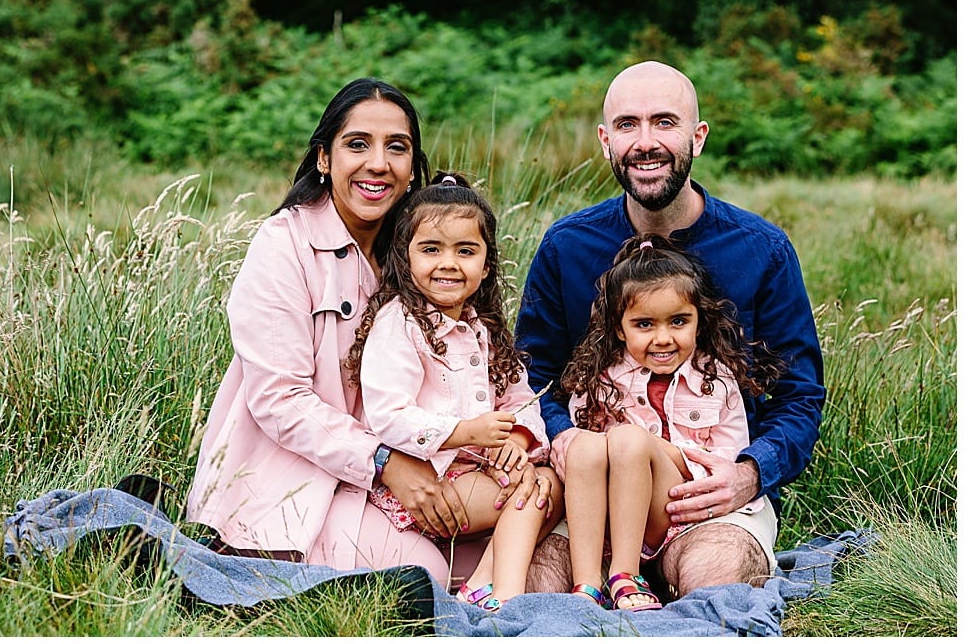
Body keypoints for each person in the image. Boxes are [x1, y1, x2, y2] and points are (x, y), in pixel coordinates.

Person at [187, 78, 553, 580]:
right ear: (324, 158)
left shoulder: (422, 249)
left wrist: (511, 444)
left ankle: (495, 594)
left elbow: (485, 376)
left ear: (411, 168)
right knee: (420, 575)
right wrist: (384, 461)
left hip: (424, 467)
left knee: (538, 510)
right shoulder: (284, 245)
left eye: (396, 148)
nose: (378, 163)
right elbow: (279, 399)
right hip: (308, 478)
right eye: (357, 144)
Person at [516, 60, 826, 598]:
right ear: (606, 141)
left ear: (697, 137)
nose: (646, 142)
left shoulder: (762, 250)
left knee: (717, 579)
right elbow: (531, 375)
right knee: (539, 586)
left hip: (708, 501)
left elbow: (799, 396)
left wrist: (749, 474)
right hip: (594, 495)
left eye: (665, 122)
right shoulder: (567, 247)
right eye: (628, 125)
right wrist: (561, 436)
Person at [345, 172, 565, 611]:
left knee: (552, 485)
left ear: (485, 266)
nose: (449, 263)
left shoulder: (482, 328)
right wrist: (466, 432)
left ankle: (482, 584)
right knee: (529, 496)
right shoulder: (400, 324)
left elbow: (521, 398)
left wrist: (518, 440)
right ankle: (507, 595)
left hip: (481, 469)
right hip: (433, 478)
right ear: (405, 259)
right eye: (431, 249)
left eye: (466, 251)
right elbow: (389, 414)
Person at [558, 233, 786, 610]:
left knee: (629, 441)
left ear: (699, 321)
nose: (663, 339)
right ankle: (587, 585)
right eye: (644, 324)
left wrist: (654, 450)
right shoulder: (597, 380)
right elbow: (584, 462)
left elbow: (724, 464)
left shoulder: (717, 380)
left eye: (678, 321)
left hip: (686, 510)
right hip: (617, 519)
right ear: (619, 327)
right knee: (586, 444)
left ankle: (625, 576)